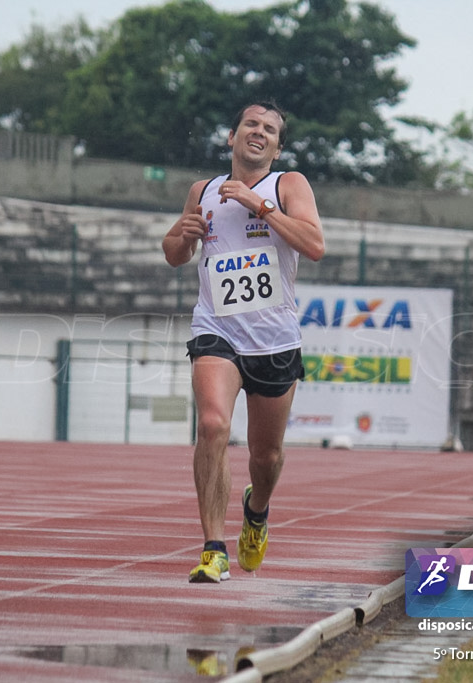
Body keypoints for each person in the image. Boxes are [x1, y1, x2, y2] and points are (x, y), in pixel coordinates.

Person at [162, 101, 325, 583]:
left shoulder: (288, 185)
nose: (259, 132)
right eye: (251, 124)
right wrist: (183, 234)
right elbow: (174, 254)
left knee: (265, 457)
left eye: (270, 129)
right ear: (231, 138)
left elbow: (315, 246)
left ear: (277, 146)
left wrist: (260, 206)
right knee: (212, 425)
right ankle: (213, 548)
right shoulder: (203, 190)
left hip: (274, 340)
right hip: (217, 329)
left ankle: (257, 511)